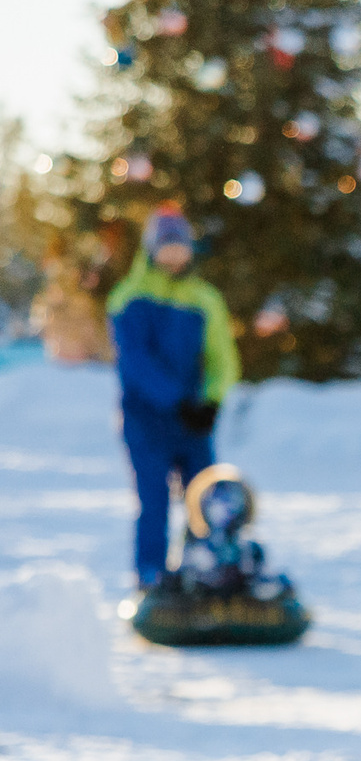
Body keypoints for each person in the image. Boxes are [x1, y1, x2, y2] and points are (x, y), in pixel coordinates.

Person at [106, 206, 237, 594]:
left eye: (180, 246)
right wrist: (175, 400)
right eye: (167, 246)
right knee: (154, 497)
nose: (174, 254)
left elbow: (222, 356)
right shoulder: (129, 298)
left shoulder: (204, 298)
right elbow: (135, 361)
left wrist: (211, 401)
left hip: (193, 420)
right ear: (151, 250)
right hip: (145, 418)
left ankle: (207, 565)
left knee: (205, 496)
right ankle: (151, 575)